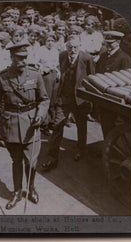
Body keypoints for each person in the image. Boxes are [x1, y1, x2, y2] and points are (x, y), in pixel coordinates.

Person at [0, 41, 49, 210]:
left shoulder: (35, 75)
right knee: (16, 160)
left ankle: (31, 188)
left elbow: (44, 99)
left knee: (31, 162)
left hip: (31, 123)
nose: (23, 61)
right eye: (19, 58)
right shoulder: (1, 78)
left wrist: (40, 115)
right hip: (10, 124)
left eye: (25, 57)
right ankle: (17, 192)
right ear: (12, 58)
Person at [42, 35, 95, 171]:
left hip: (79, 99)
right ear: (66, 46)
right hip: (64, 98)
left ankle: (81, 150)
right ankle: (52, 157)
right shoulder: (62, 55)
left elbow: (91, 79)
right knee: (57, 125)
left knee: (81, 126)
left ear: (80, 46)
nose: (72, 50)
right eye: (70, 47)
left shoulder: (86, 58)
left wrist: (88, 100)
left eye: (75, 47)